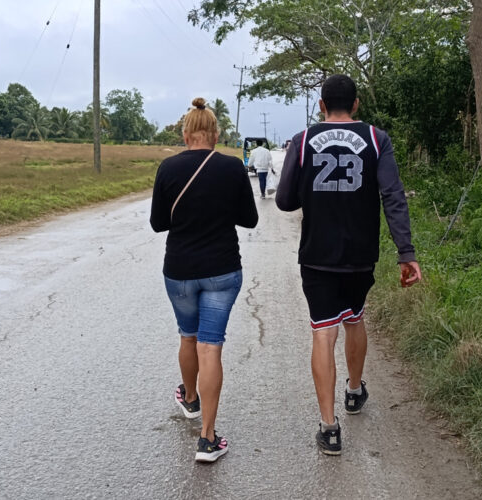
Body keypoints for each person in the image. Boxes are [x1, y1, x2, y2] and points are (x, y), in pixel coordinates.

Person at [275, 75, 422, 456]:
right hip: (360, 255)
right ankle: (354, 392)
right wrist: (406, 252)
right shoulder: (377, 139)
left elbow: (285, 202)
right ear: (356, 104)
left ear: (321, 106)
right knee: (355, 317)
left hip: (317, 255)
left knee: (323, 332)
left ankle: (329, 428)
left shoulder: (302, 141)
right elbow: (393, 195)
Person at [150, 97, 258, 462]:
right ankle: (208, 439)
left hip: (179, 271)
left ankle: (190, 399)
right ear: (214, 134)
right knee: (211, 346)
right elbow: (251, 219)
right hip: (222, 270)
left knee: (188, 335)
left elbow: (158, 223)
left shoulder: (167, 168)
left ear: (185, 134)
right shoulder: (231, 168)